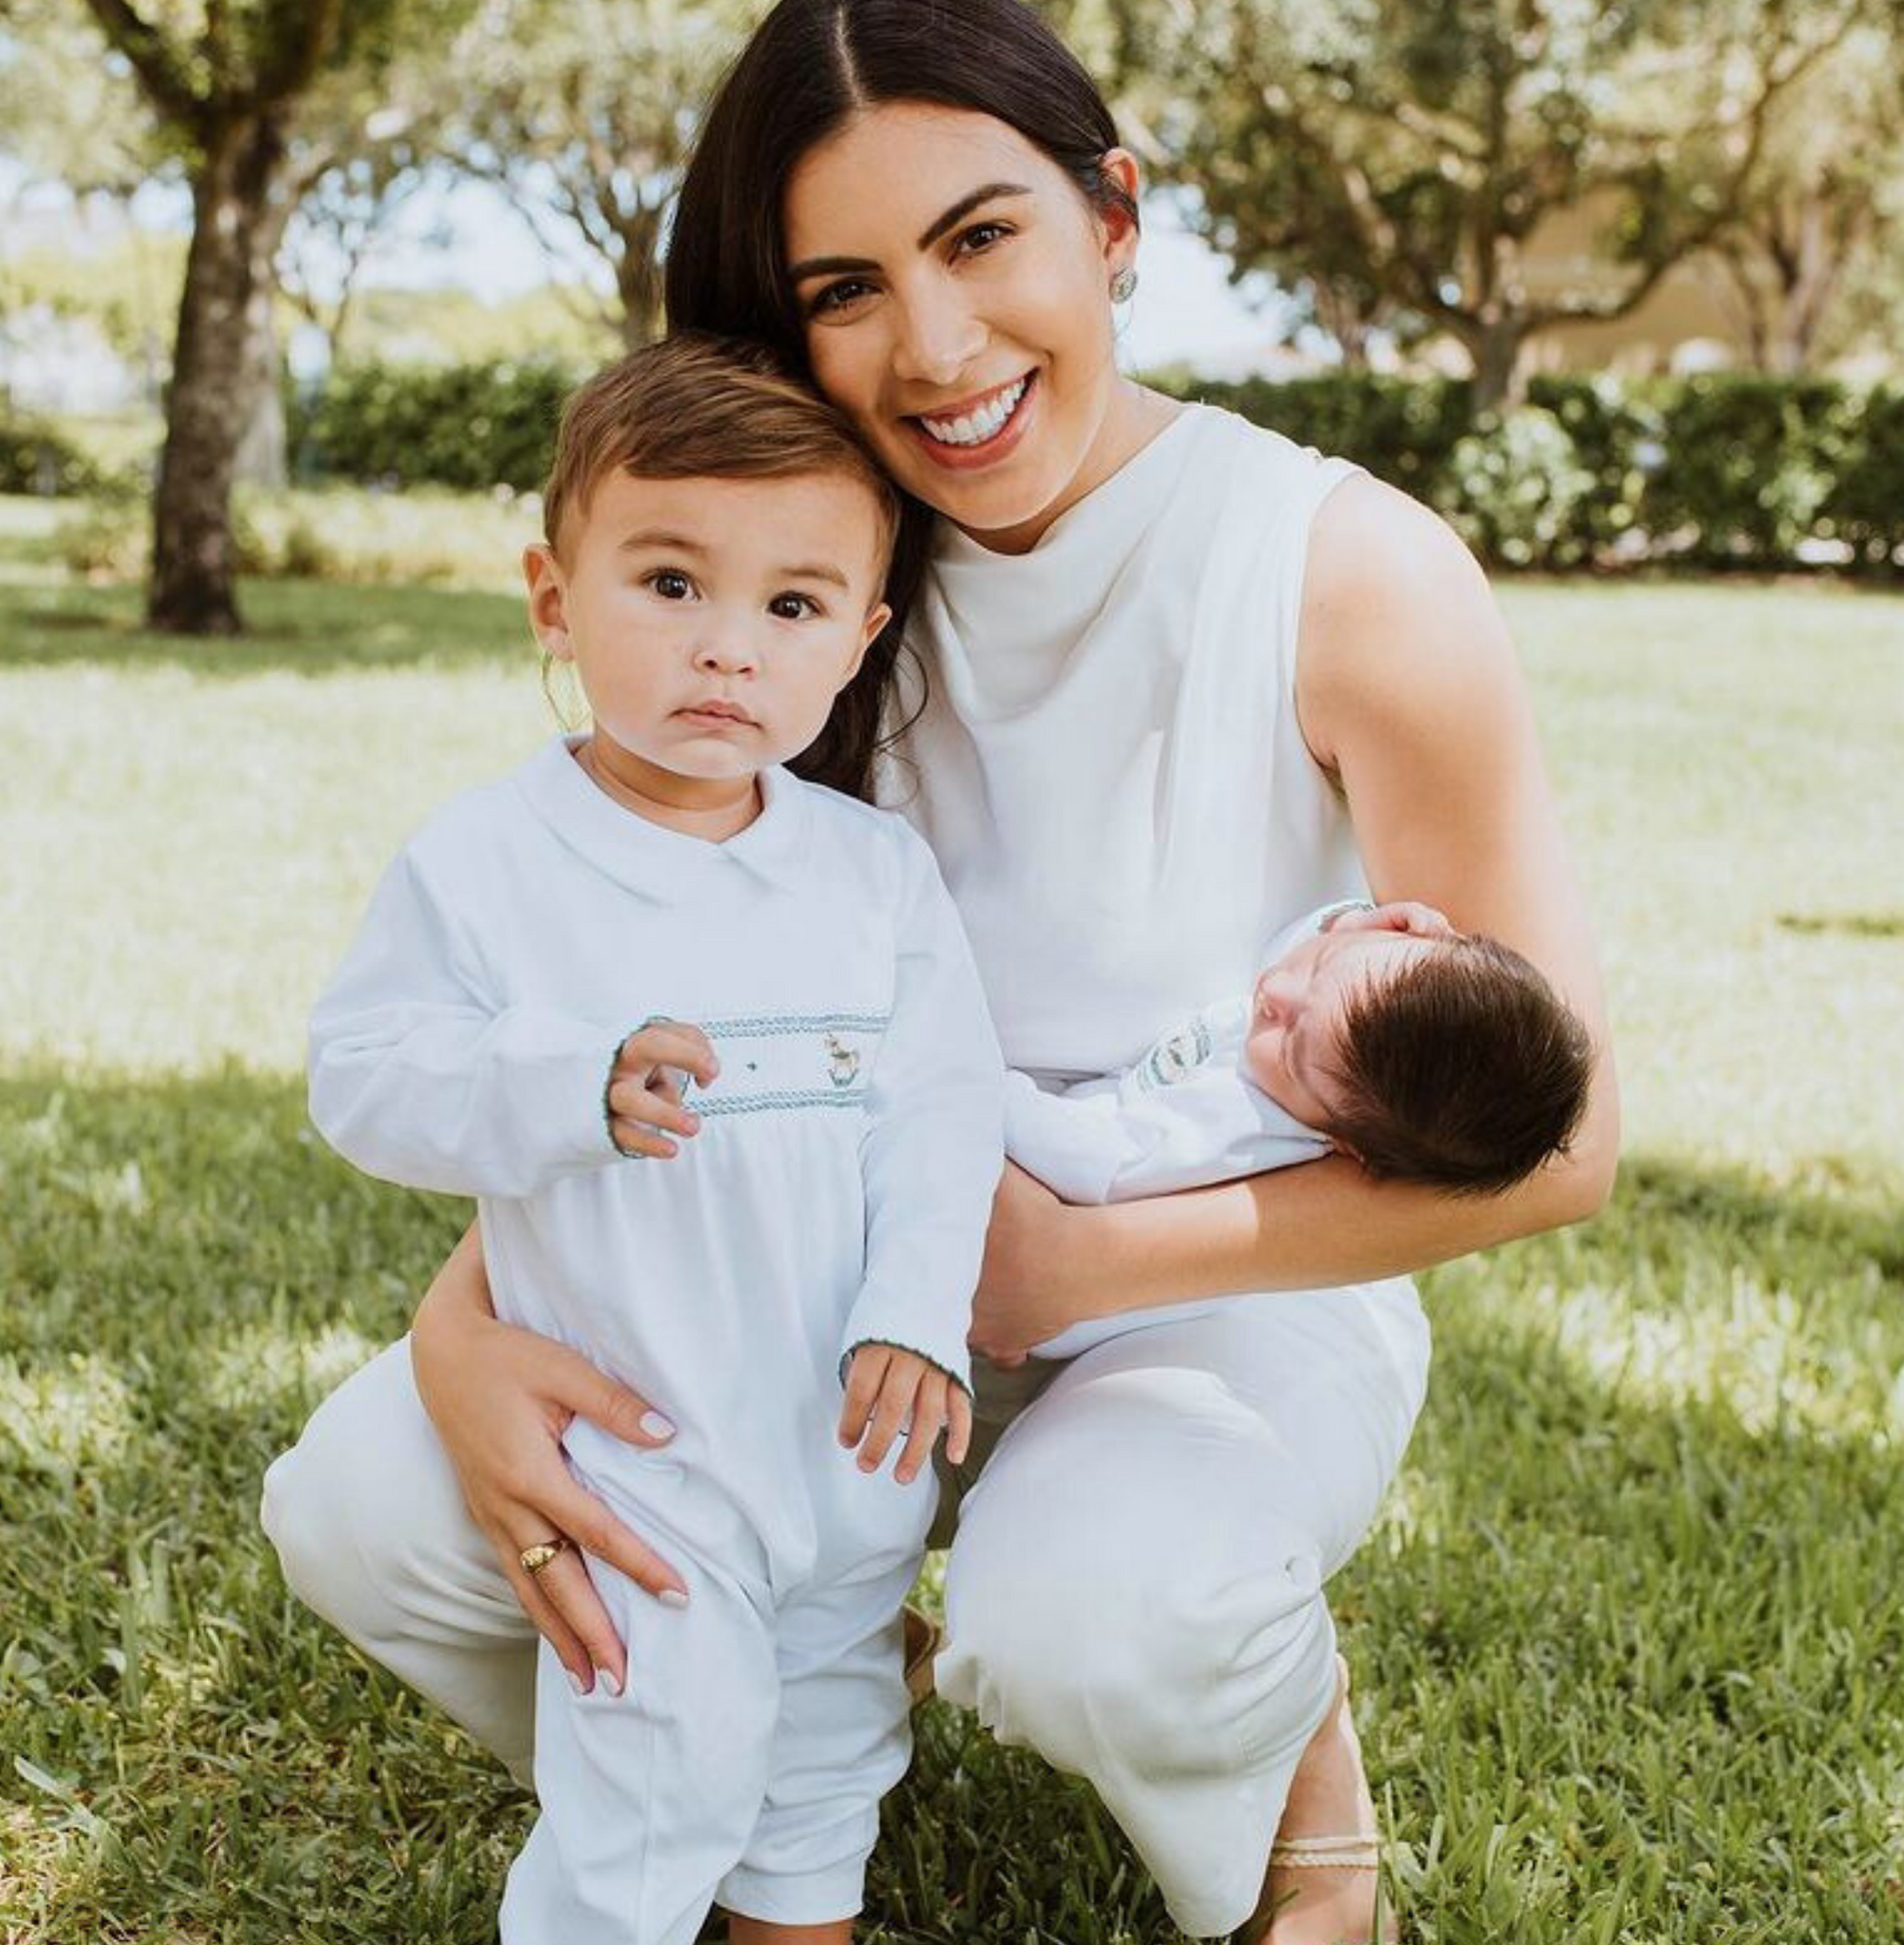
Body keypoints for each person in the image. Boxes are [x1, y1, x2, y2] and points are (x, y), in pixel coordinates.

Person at [261, 2, 1619, 1939]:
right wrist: (466, 1322)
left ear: (1111, 217)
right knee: (371, 1507)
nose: (936, 345)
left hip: (1204, 1284)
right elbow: (675, 1013)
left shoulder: (1344, 570)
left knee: (1098, 1618)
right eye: (846, 287)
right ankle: (796, 1731)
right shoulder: (788, 566)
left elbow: (1561, 1147)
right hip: (801, 1264)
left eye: (981, 237)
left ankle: (1294, 1779)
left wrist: (1069, 1267)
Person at [299, 334, 1005, 1944]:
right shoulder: (490, 861)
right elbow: (363, 1072)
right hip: (643, 1445)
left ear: (861, 636)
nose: (726, 649)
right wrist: (563, 1085)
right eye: (670, 582)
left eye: (792, 605)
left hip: (842, 1440)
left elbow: (942, 1107)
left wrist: (914, 1304)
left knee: (826, 1751)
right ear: (555, 599)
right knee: (656, 1765)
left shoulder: (871, 874)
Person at [1004, 896, 1594, 1360]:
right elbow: (1304, 953)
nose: (1274, 993)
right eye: (1319, 965)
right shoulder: (1333, 1030)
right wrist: (1350, 922)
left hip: (1056, 1273)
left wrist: (980, 1086)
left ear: (1342, 1142)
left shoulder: (1240, 1127)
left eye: (1291, 1047)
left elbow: (1093, 1157)